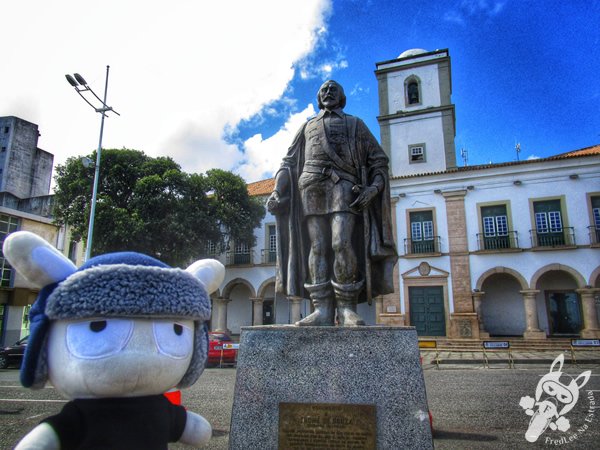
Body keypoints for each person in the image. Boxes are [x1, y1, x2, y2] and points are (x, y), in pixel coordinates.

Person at [267, 80, 397, 326]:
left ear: (342, 97)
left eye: (333, 89)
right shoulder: (307, 126)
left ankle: (346, 308)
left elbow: (379, 160)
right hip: (311, 187)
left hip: (344, 187)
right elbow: (287, 163)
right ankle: (322, 310)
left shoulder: (355, 124)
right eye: (324, 89)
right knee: (317, 245)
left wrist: (373, 189)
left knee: (341, 242)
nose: (328, 92)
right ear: (318, 97)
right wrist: (277, 190)